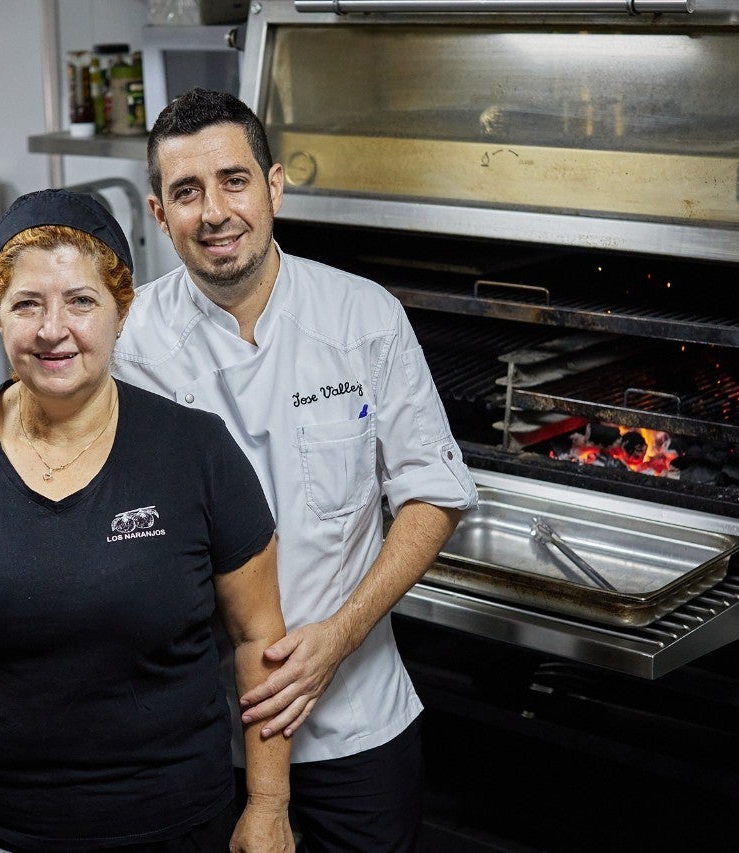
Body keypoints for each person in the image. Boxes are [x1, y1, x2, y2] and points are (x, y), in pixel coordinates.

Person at [0, 188, 295, 852]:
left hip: (176, 824)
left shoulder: (195, 450)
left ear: (121, 310)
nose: (55, 329)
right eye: (28, 304)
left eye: (81, 301)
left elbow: (260, 638)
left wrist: (269, 802)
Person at [112, 88, 479, 852]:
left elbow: (431, 495)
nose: (214, 211)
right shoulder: (126, 342)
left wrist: (337, 637)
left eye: (233, 181)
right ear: (158, 215)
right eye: (187, 192)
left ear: (273, 186)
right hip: (197, 734)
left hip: (358, 721)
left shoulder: (362, 315)